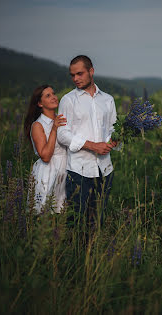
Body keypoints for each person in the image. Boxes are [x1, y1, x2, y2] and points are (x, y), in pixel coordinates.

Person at [57, 55, 117, 228]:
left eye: (80, 74)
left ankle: (93, 254)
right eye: (72, 75)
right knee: (75, 222)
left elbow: (113, 128)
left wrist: (114, 140)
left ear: (91, 71)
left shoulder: (108, 100)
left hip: (105, 170)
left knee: (97, 221)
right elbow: (62, 134)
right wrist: (92, 145)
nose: (75, 78)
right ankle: (72, 254)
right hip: (78, 171)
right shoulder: (68, 100)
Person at [24, 85, 67, 214]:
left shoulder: (62, 119)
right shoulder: (38, 125)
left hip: (66, 170)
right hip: (49, 172)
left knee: (65, 215)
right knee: (45, 214)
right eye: (48, 96)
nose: (54, 97)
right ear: (39, 103)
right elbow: (46, 156)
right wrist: (54, 129)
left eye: (53, 93)